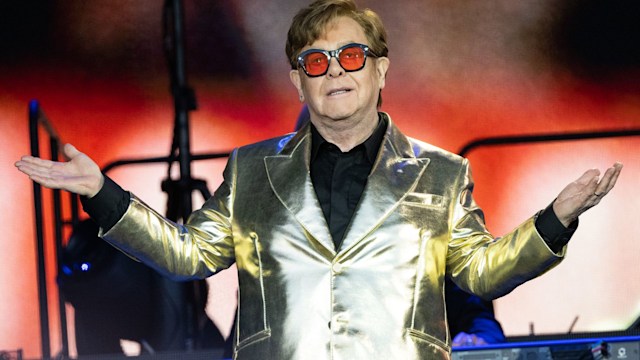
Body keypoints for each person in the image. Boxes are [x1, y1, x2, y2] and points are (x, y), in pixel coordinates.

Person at [16, 0, 622, 359]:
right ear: (297, 81)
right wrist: (101, 193)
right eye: (316, 63)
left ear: (380, 70)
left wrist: (555, 221)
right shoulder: (252, 170)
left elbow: (480, 280)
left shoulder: (439, 175)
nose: (335, 74)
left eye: (352, 59)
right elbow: (187, 255)